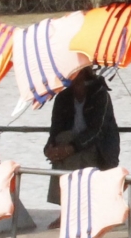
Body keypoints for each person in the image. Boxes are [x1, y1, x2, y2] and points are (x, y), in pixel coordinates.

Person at [43, 68, 120, 204]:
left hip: (100, 150)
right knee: (62, 141)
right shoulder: (63, 98)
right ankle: (67, 207)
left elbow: (97, 131)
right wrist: (50, 148)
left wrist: (70, 148)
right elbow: (55, 130)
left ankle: (73, 207)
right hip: (69, 147)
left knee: (71, 152)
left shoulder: (100, 95)